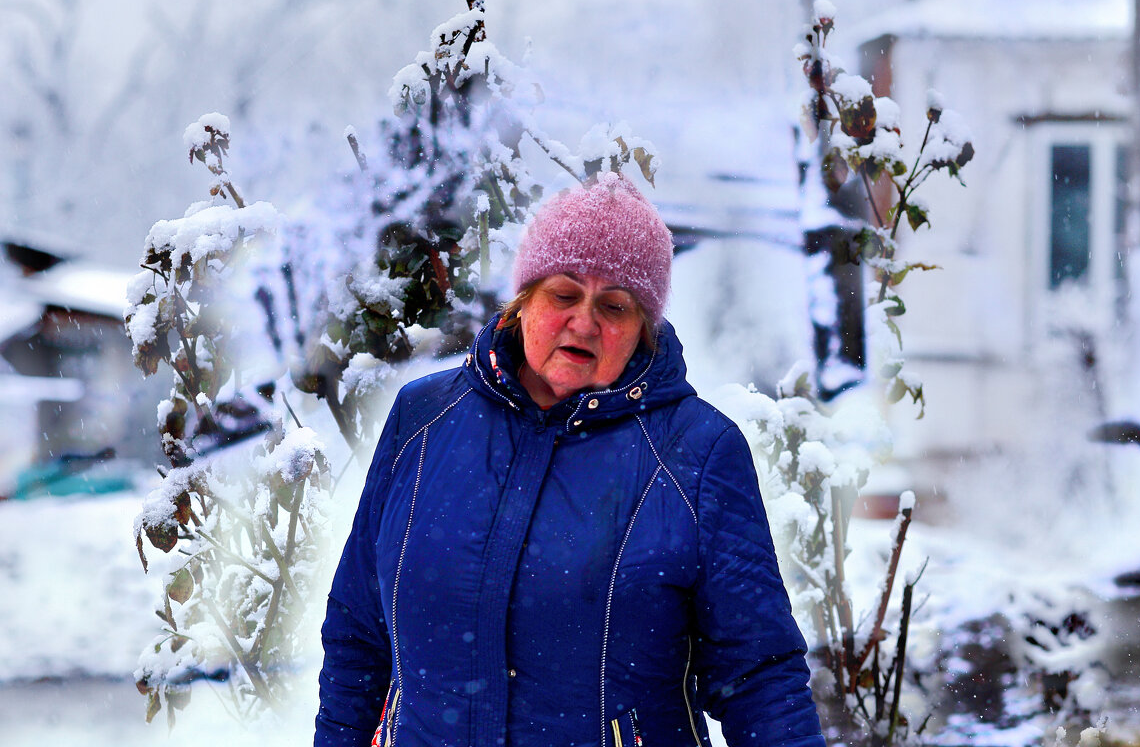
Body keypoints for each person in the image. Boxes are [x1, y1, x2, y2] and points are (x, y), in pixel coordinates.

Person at [316, 173, 826, 747]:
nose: (584, 322)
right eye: (563, 294)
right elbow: (358, 634)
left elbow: (758, 675)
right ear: (523, 299)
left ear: (643, 330)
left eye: (615, 305)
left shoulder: (697, 453)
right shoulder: (425, 419)